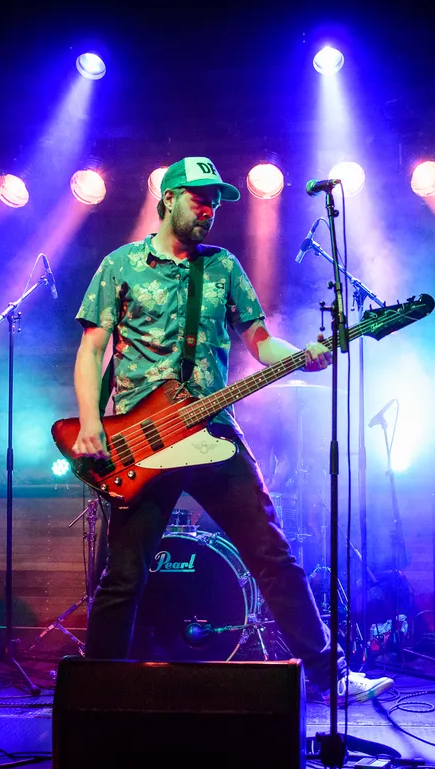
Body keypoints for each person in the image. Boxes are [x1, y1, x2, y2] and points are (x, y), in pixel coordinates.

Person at [71, 157, 394, 703]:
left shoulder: (222, 267)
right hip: (141, 443)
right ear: (168, 198)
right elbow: (91, 350)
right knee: (123, 575)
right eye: (199, 198)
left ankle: (329, 675)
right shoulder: (120, 264)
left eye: (216, 201)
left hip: (213, 431)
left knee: (272, 553)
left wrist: (303, 356)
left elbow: (260, 342)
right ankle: (95, 694)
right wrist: (88, 423)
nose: (210, 209)